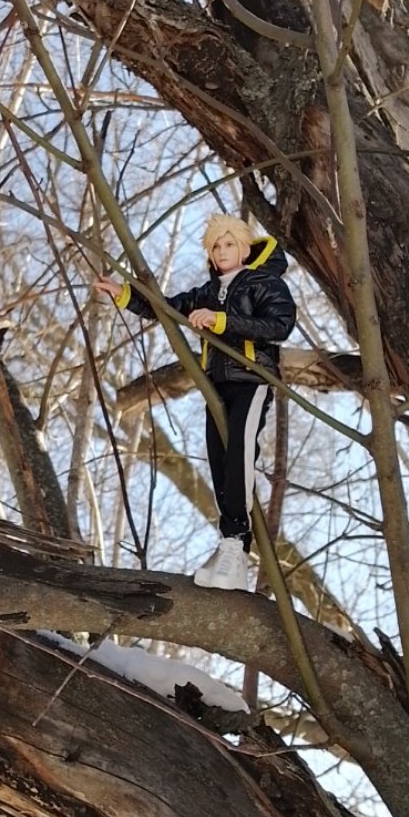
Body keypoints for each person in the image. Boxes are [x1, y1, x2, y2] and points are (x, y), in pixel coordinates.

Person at [95, 216, 297, 592]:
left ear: (245, 248)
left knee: (239, 456)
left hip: (251, 379)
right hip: (215, 386)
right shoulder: (207, 291)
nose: (222, 252)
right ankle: (231, 547)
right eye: (216, 246)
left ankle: (235, 543)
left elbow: (279, 326)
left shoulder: (264, 282)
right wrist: (125, 295)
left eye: (229, 244)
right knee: (218, 462)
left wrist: (222, 321)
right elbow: (166, 308)